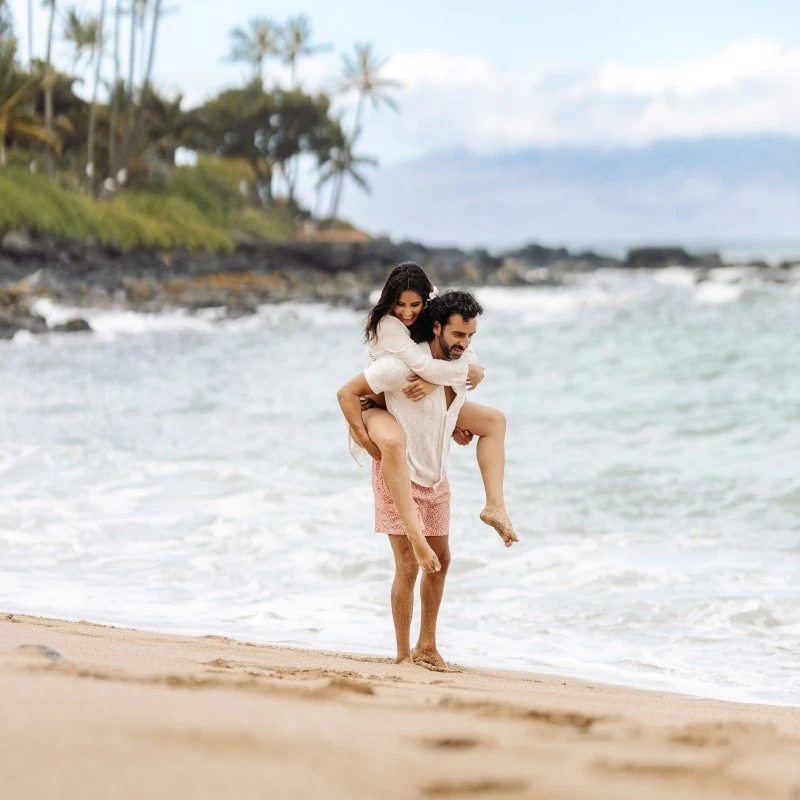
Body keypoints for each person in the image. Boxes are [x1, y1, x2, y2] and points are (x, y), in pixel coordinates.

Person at [337, 291, 516, 666]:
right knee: (408, 565)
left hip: (435, 477)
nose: (463, 344)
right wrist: (365, 438)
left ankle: (427, 646)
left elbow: (448, 412)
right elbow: (349, 393)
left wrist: (454, 428)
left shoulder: (459, 369)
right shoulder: (398, 366)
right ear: (436, 327)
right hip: (399, 474)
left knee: (441, 560)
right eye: (457, 335)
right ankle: (403, 656)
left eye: (469, 337)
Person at [353, 262, 517, 573]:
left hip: (418, 397)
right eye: (400, 304)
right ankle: (413, 532)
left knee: (494, 422)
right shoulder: (387, 325)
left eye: (415, 304)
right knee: (407, 565)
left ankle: (495, 506)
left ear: (426, 301)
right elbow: (422, 366)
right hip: (381, 402)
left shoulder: (435, 316)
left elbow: (465, 354)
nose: (408, 312)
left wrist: (447, 395)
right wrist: (446, 378)